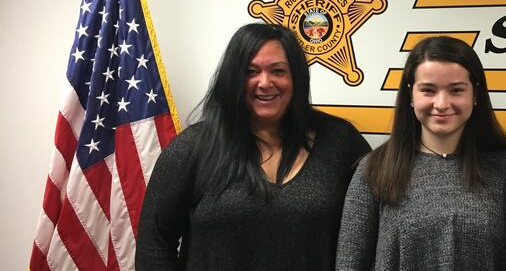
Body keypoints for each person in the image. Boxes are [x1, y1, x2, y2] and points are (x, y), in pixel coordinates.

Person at [136, 23, 371, 270]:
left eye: (278, 71)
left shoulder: (340, 142)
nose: (265, 82)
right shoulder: (192, 149)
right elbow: (154, 246)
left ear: (296, 78)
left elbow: (377, 226)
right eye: (251, 71)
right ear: (233, 79)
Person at [336, 36, 506, 271]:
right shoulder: (374, 169)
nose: (441, 103)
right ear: (410, 94)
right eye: (428, 90)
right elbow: (349, 263)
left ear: (475, 93)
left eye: (456, 90)